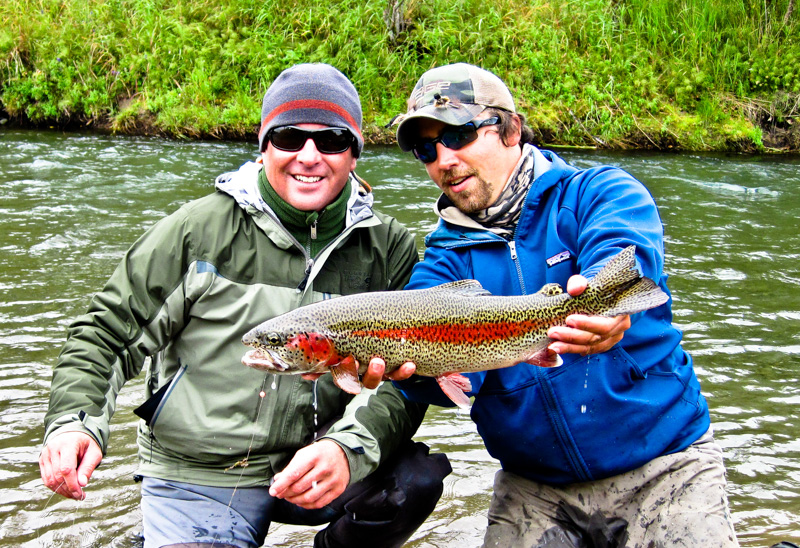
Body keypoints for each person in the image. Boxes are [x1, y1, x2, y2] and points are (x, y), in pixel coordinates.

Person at [39, 63, 451, 548]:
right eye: (289, 137)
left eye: (333, 140)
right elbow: (105, 333)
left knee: (415, 481)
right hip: (199, 473)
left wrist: (347, 450)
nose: (309, 156)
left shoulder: (389, 248)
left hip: (317, 462)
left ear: (355, 153)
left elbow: (407, 382)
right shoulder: (197, 231)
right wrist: (74, 424)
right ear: (264, 145)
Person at [389, 63, 738, 547]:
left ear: (510, 129)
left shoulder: (598, 192)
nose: (443, 159)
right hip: (534, 486)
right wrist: (408, 371)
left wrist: (608, 305)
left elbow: (627, 255)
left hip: (665, 465)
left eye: (459, 134)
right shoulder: (443, 259)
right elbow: (454, 381)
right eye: (426, 148)